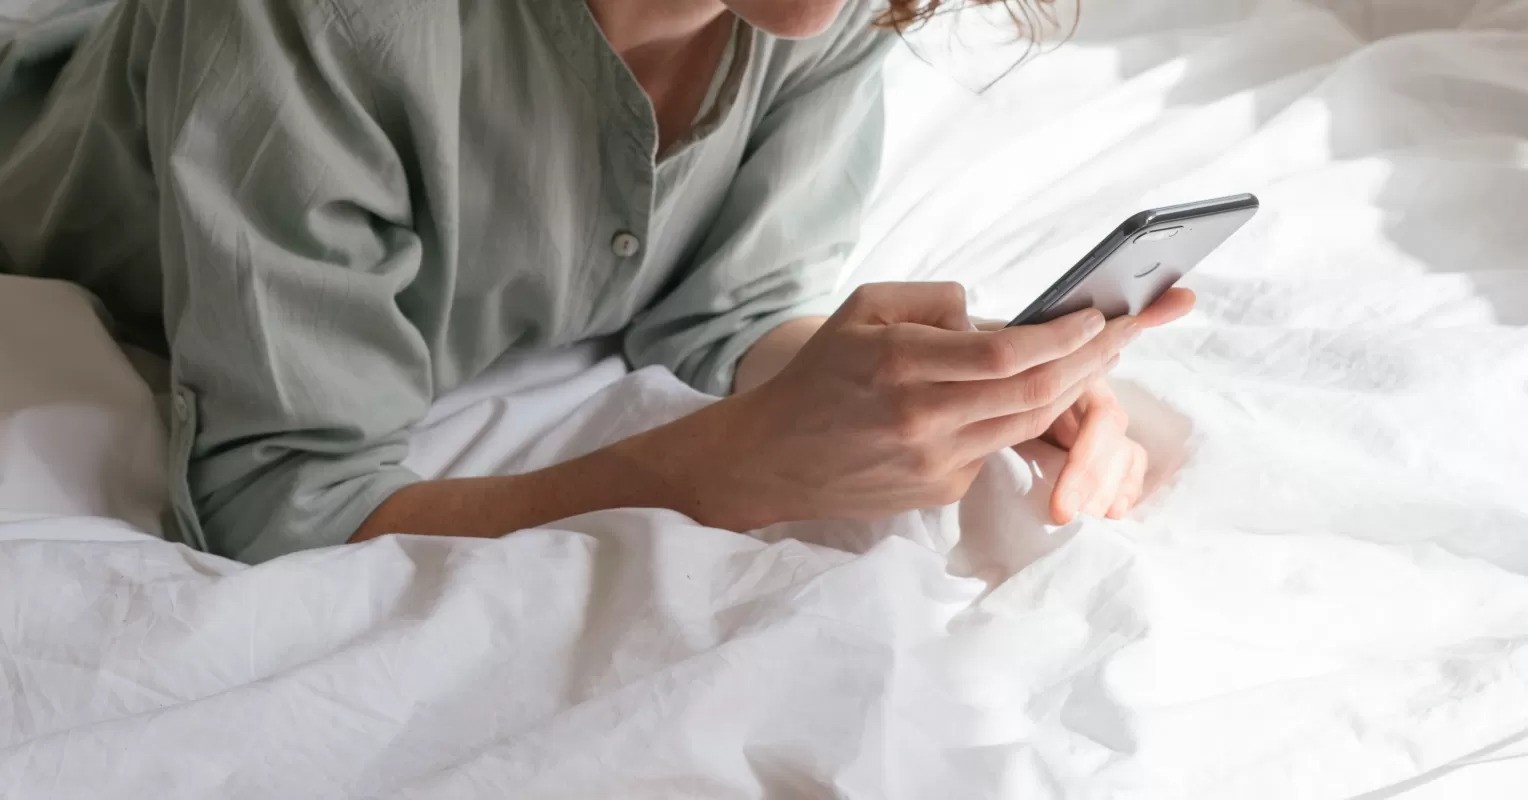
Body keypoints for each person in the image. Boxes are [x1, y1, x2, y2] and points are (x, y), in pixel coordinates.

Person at [0, 0, 1192, 563]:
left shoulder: (820, 16)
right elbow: (283, 499)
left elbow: (726, 306)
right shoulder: (324, 20)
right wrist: (723, 469)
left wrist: (954, 384)